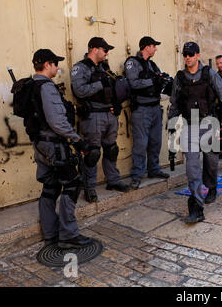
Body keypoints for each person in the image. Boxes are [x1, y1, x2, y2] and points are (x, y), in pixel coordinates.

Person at [31, 49, 93, 249]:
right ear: (47, 64)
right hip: (54, 145)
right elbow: (57, 121)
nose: (58, 68)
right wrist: (76, 140)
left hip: (40, 144)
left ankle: (50, 234)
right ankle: (68, 235)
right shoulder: (46, 87)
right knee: (72, 185)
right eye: (55, 64)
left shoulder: (30, 85)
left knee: (50, 187)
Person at [168, 42, 222, 222]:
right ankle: (197, 205)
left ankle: (212, 187)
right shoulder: (180, 78)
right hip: (189, 126)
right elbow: (174, 104)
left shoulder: (209, 75)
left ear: (198, 55)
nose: (187, 57)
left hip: (210, 124)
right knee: (192, 167)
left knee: (211, 162)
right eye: (185, 55)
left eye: (191, 54)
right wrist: (172, 127)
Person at [71, 37, 129, 203]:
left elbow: (112, 88)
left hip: (109, 114)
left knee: (111, 149)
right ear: (94, 49)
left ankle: (114, 180)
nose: (107, 53)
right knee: (92, 152)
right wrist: (100, 84)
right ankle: (89, 188)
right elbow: (79, 91)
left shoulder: (105, 67)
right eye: (105, 50)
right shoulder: (80, 68)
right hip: (93, 116)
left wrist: (117, 104)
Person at [125, 36, 170, 190]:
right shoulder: (132, 63)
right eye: (153, 46)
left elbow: (158, 80)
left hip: (155, 108)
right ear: (146, 47)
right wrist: (153, 81)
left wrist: (164, 80)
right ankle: (137, 175)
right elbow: (134, 83)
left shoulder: (152, 65)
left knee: (156, 141)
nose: (156, 49)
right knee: (141, 143)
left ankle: (154, 169)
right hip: (141, 109)